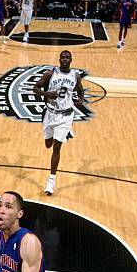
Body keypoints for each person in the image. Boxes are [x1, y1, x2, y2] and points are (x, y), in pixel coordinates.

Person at [33, 50, 85, 195]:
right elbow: (35, 88)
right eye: (63, 57)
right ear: (59, 59)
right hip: (50, 114)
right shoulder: (50, 74)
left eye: (67, 57)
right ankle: (63, 132)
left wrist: (80, 100)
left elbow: (80, 90)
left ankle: (51, 182)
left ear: (71, 59)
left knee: (57, 147)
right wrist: (47, 94)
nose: (65, 59)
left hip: (66, 115)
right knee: (48, 144)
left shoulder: (75, 75)